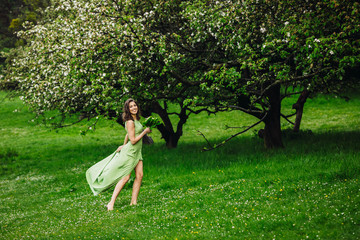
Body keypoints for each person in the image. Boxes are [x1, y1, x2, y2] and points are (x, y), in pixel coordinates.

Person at [86, 98, 151, 211]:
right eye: (131, 106)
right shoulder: (130, 121)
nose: (134, 108)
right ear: (127, 109)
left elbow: (128, 134)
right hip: (130, 153)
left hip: (137, 152)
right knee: (125, 177)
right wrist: (144, 132)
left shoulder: (136, 120)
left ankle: (133, 202)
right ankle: (111, 203)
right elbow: (134, 140)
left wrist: (123, 145)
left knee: (139, 176)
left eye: (135, 105)